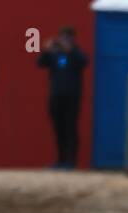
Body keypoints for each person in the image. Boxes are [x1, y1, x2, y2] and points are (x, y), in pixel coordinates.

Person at [37, 27, 90, 169]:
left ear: (72, 39)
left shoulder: (77, 53)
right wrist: (47, 49)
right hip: (56, 95)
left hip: (72, 96)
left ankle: (71, 161)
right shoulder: (55, 53)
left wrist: (70, 50)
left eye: (67, 38)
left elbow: (84, 62)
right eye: (62, 38)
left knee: (70, 128)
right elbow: (40, 63)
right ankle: (60, 160)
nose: (64, 41)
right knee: (58, 128)